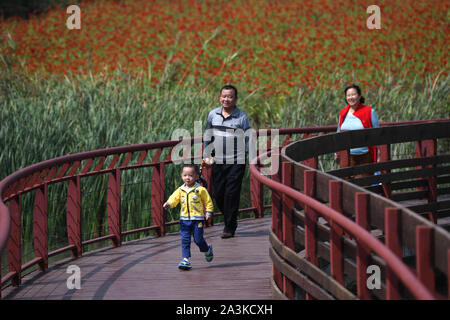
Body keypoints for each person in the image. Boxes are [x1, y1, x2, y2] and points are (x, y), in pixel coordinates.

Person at [203, 85, 251, 239]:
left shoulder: (242, 117)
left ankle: (229, 227)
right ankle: (230, 218)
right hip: (218, 160)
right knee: (218, 194)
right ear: (219, 98)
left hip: (237, 160)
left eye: (230, 96)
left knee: (231, 193)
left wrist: (254, 157)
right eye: (224, 96)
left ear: (235, 99)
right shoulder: (213, 115)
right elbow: (208, 135)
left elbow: (249, 138)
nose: (226, 99)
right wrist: (206, 154)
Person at [163, 164, 214, 270]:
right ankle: (185, 259)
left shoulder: (200, 189)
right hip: (184, 219)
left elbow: (208, 201)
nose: (187, 178)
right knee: (185, 239)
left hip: (198, 219)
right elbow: (174, 199)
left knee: (198, 240)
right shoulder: (180, 190)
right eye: (185, 175)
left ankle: (207, 249)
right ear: (182, 176)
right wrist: (169, 204)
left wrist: (208, 212)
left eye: (190, 175)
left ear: (196, 176)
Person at [335, 84, 380, 175]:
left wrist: (379, 156)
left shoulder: (369, 111)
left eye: (353, 94)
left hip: (365, 155)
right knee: (348, 185)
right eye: (348, 95)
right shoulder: (343, 113)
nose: (351, 97)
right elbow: (338, 132)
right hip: (347, 156)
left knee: (365, 185)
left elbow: (377, 134)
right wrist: (336, 153)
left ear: (359, 96)